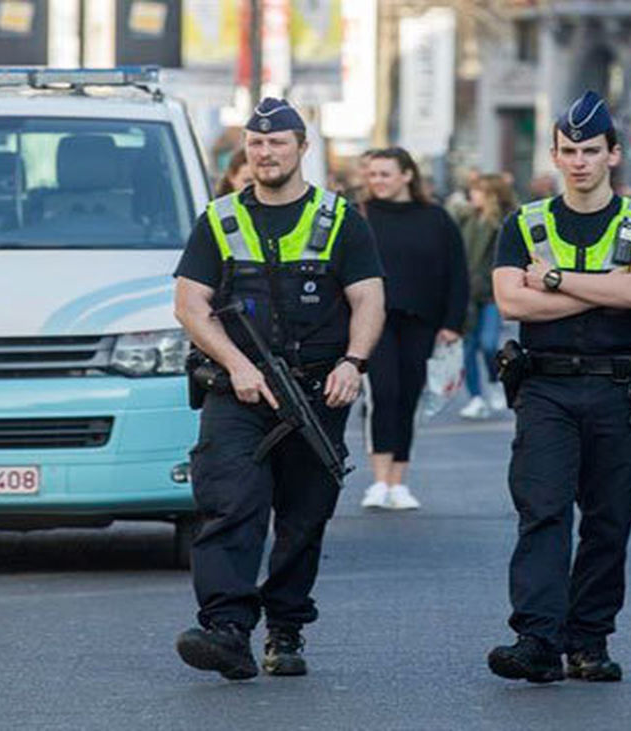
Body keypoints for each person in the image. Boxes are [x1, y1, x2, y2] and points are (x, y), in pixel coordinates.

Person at [172, 97, 385, 680]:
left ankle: (285, 627)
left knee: (303, 516)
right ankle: (227, 630)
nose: (266, 153)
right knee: (229, 505)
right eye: (257, 144)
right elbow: (190, 304)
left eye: (278, 143)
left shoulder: (340, 219)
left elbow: (368, 298)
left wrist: (354, 362)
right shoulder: (219, 218)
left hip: (319, 392)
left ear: (302, 148)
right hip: (237, 392)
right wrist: (238, 365)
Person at [486, 91, 631, 684]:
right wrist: (603, 287)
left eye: (591, 151)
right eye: (568, 151)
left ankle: (589, 639)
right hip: (546, 388)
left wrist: (557, 282)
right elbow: (512, 300)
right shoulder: (523, 222)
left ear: (613, 155)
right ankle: (536, 639)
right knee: (541, 512)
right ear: (554, 156)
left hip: (622, 387)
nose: (579, 162)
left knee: (608, 518)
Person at [357, 147, 468, 511]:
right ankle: (378, 480)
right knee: (383, 394)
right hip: (375, 322)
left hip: (423, 320)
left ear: (407, 175)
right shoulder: (359, 216)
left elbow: (458, 272)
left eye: (385, 173)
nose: (377, 181)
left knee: (409, 398)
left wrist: (453, 323)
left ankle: (398, 482)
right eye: (372, 174)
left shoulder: (436, 218)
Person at [459, 174, 511, 419]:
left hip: (490, 293)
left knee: (489, 344)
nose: (472, 196)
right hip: (467, 293)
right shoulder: (467, 218)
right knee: (468, 348)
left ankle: (494, 381)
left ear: (490, 194)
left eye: (477, 191)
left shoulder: (502, 222)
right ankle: (476, 397)